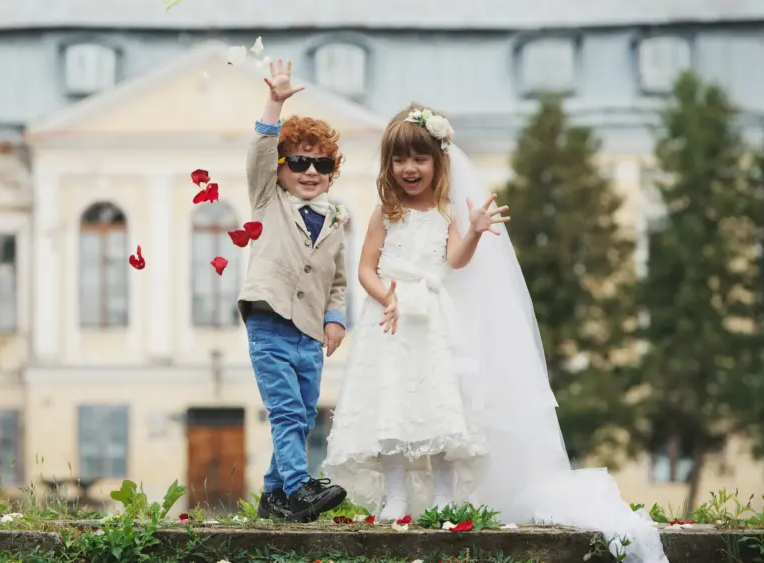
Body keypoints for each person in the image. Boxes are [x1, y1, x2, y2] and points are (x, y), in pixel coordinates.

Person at [324, 106, 669, 563]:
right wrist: (387, 296)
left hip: (433, 319)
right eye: (400, 160)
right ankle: (396, 494)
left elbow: (455, 262)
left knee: (440, 401)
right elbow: (365, 267)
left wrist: (475, 233)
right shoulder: (383, 214)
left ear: (438, 161)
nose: (410, 169)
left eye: (420, 159)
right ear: (388, 165)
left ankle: (445, 492)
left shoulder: (445, 213)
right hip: (391, 318)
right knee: (391, 402)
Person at [239, 58, 350, 523]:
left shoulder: (336, 219)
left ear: (331, 172)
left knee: (303, 416)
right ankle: (299, 486)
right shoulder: (269, 199)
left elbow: (338, 280)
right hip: (270, 324)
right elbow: (261, 152)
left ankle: (273, 496)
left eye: (320, 164)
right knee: (286, 413)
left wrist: (336, 318)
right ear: (281, 169)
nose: (309, 171)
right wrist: (274, 103)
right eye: (298, 161)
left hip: (308, 335)